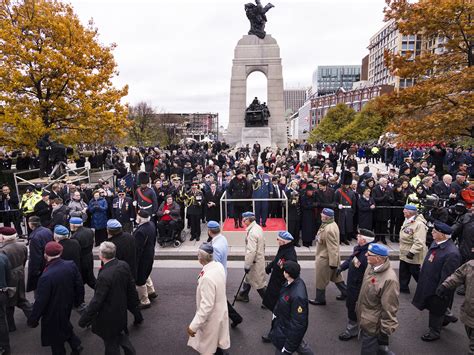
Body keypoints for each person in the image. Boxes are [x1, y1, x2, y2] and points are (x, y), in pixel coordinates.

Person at [79, 241, 143, 355]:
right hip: (121, 310)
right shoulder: (123, 265)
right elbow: (131, 288)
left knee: (111, 343)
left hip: (108, 315)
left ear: (101, 256)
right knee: (120, 336)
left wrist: (84, 319)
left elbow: (97, 301)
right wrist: (135, 303)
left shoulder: (104, 276)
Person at [27, 241, 84, 355]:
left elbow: (41, 301)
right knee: (64, 325)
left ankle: (71, 348)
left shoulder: (46, 276)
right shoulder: (71, 265)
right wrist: (78, 301)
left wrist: (33, 319)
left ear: (45, 254)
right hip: (67, 305)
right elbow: (79, 285)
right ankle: (76, 345)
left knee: (56, 340)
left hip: (52, 311)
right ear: (61, 252)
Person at [412, 221, 461, 341]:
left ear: (443, 235)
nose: (432, 232)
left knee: (436, 309)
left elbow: (448, 277)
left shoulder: (452, 253)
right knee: (431, 305)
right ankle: (446, 315)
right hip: (429, 282)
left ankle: (434, 332)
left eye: (435, 231)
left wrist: (441, 291)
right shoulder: (437, 242)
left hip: (438, 287)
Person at [187, 243, 230, 355]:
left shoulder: (207, 278)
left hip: (212, 319)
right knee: (216, 343)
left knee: (208, 348)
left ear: (200, 258)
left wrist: (193, 326)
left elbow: (206, 306)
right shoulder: (219, 266)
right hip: (220, 312)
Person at [356, 243, 399, 355]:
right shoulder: (371, 266)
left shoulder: (390, 280)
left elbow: (389, 308)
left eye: (369, 254)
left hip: (373, 325)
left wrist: (384, 332)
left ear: (378, 258)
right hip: (365, 318)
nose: (365, 255)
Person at [268, 260, 314, 355]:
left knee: (289, 346)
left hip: (287, 329)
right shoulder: (290, 283)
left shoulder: (298, 296)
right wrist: (275, 313)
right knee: (300, 345)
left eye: (284, 271)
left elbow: (298, 324)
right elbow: (282, 301)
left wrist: (288, 348)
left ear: (287, 274)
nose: (283, 272)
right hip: (284, 325)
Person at [337, 229, 374, 341]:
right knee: (351, 305)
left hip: (359, 286)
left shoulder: (368, 255)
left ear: (364, 240)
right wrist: (341, 267)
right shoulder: (359, 249)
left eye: (359, 236)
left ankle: (352, 329)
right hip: (353, 284)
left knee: (353, 307)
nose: (357, 237)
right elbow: (351, 259)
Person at [261, 231, 297, 343]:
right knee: (277, 313)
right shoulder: (284, 249)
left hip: (280, 288)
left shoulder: (289, 255)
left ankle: (274, 335)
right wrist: (270, 266)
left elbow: (291, 272)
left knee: (278, 314)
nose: (277, 241)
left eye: (278, 239)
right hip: (276, 285)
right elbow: (277, 260)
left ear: (283, 241)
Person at [207, 221, 243, 328]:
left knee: (217, 300)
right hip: (223, 274)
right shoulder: (222, 238)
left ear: (209, 231)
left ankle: (233, 318)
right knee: (220, 299)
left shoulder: (216, 247)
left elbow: (215, 266)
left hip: (217, 277)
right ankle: (236, 318)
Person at [309, 208, 346, 306]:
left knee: (320, 279)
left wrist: (333, 264)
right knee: (337, 277)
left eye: (322, 215)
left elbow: (332, 247)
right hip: (330, 258)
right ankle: (345, 293)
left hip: (325, 259)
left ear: (326, 217)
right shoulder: (330, 224)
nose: (321, 216)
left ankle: (320, 299)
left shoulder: (329, 229)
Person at [437, 259, 474, 354]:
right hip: (469, 312)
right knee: (470, 336)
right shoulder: (471, 264)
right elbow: (458, 275)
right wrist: (445, 285)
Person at [0, 227, 32, 333]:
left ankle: (11, 326)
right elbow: (24, 260)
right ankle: (33, 318)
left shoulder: (3, 251)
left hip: (9, 278)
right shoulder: (22, 246)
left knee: (9, 303)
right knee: (22, 299)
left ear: (4, 237)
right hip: (20, 274)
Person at [235, 212, 267, 303]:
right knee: (248, 278)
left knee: (259, 284)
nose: (242, 221)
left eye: (243, 220)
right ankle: (243, 295)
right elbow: (263, 244)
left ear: (248, 220)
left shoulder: (252, 233)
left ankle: (268, 301)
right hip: (258, 259)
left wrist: (247, 265)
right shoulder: (257, 228)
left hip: (254, 262)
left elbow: (251, 251)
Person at [399, 204, 427, 294]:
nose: (403, 211)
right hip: (404, 251)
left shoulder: (419, 224)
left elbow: (419, 241)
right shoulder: (407, 220)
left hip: (412, 254)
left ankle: (425, 288)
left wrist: (412, 252)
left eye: (405, 210)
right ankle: (403, 288)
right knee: (403, 270)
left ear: (410, 213)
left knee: (415, 272)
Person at [133, 210, 157, 309]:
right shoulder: (151, 224)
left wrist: (134, 260)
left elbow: (138, 248)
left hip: (142, 257)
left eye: (137, 216)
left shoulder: (140, 231)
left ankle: (144, 300)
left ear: (140, 218)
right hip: (150, 254)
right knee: (146, 273)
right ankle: (151, 291)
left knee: (140, 279)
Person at [26, 216, 53, 294]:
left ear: (31, 225)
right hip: (48, 262)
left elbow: (35, 257)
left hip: (41, 266)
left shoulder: (34, 237)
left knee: (38, 288)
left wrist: (35, 271)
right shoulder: (47, 230)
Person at [70, 217, 96, 289]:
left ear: (73, 225)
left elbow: (75, 251)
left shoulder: (75, 237)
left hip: (81, 260)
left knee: (82, 280)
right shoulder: (89, 231)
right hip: (89, 257)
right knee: (90, 278)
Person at [0, 250, 11, 354]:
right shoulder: (3, 257)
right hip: (2, 292)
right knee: (2, 320)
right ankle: (5, 348)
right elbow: (9, 276)